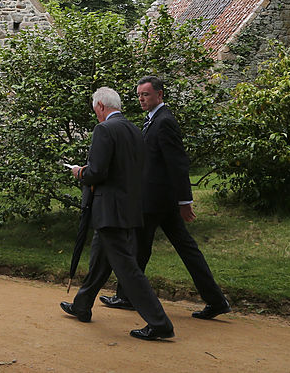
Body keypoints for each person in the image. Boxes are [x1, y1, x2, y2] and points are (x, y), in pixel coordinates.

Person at [100, 76, 230, 320]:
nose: (141, 99)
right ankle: (216, 300)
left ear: (160, 95)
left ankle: (127, 296)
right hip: (159, 200)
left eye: (146, 95)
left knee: (138, 249)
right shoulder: (154, 121)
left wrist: (184, 201)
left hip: (156, 201)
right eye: (139, 95)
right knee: (183, 248)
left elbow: (177, 163)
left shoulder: (165, 121)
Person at [60, 87, 175, 341]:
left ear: (100, 105)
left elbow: (98, 172)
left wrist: (80, 172)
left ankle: (159, 322)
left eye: (95, 111)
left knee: (128, 269)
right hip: (129, 207)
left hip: (109, 209)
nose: (96, 116)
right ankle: (82, 304)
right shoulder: (135, 129)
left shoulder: (104, 130)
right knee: (101, 260)